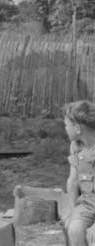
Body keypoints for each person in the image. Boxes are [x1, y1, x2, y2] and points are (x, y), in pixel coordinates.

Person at [64, 100, 95, 245]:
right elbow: (73, 181)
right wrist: (72, 211)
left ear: (77, 128)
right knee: (74, 229)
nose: (65, 128)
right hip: (88, 204)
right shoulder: (76, 147)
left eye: (66, 125)